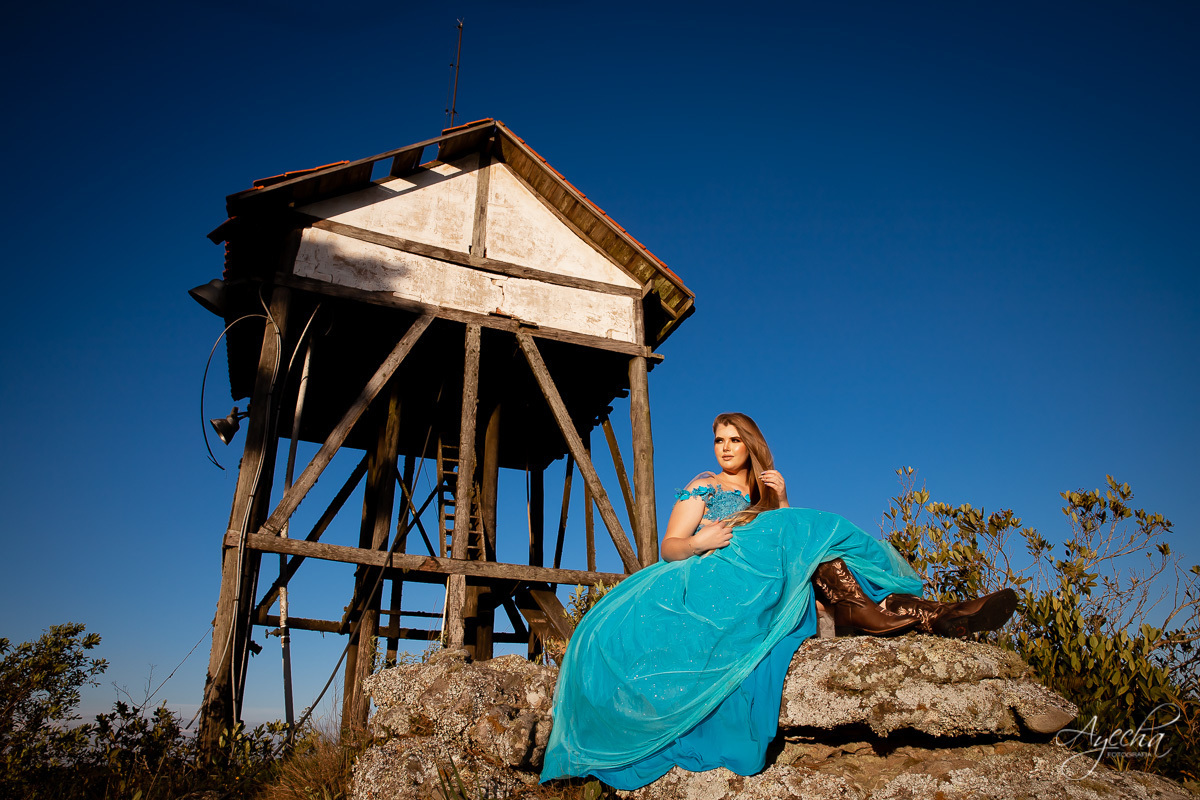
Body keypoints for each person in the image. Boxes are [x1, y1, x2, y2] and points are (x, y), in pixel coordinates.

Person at [539, 412, 1016, 790]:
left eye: (733, 440)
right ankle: (899, 612)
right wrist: (702, 540)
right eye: (718, 440)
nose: (725, 448)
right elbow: (669, 546)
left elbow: (793, 552)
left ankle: (928, 614)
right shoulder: (704, 484)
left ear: (751, 445)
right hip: (716, 571)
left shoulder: (764, 492)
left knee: (816, 545)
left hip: (760, 577)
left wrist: (781, 500)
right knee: (815, 531)